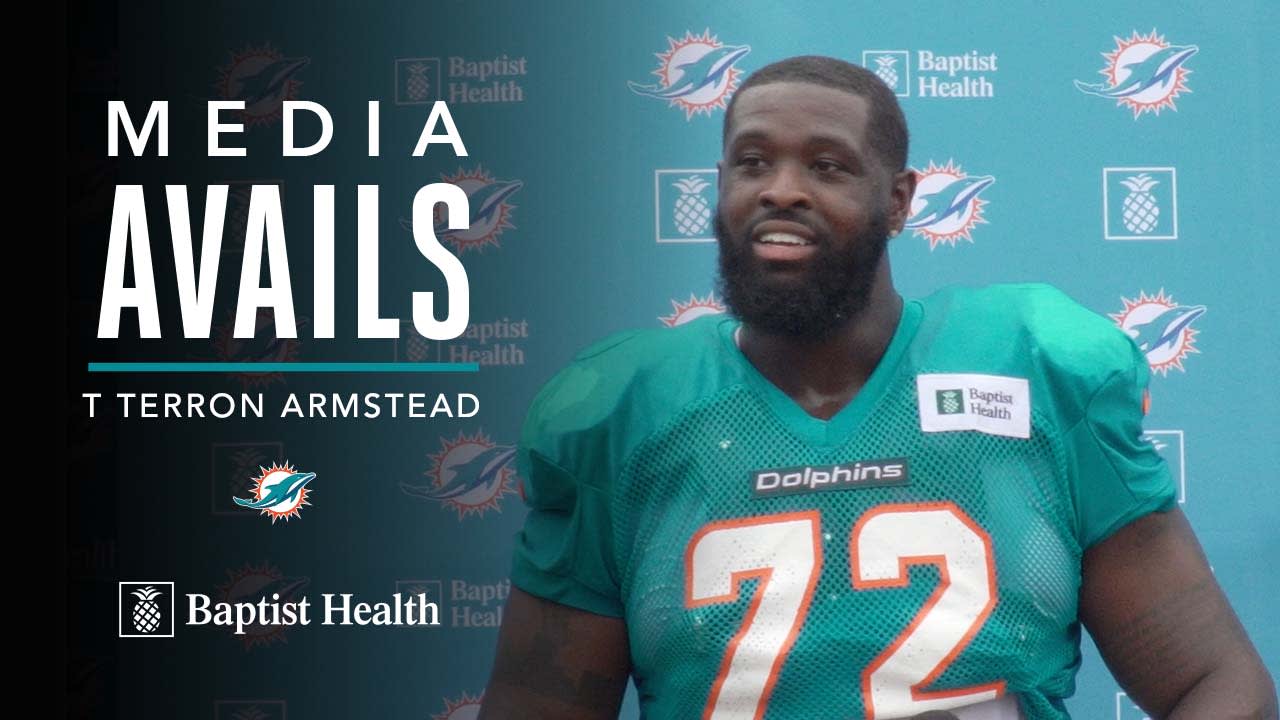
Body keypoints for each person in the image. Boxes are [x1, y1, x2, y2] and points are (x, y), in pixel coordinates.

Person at [477, 56, 1276, 720]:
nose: (782, 189)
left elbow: (1216, 682)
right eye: (754, 162)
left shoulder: (1032, 369)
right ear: (719, 186)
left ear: (898, 200)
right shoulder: (626, 413)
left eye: (826, 166)